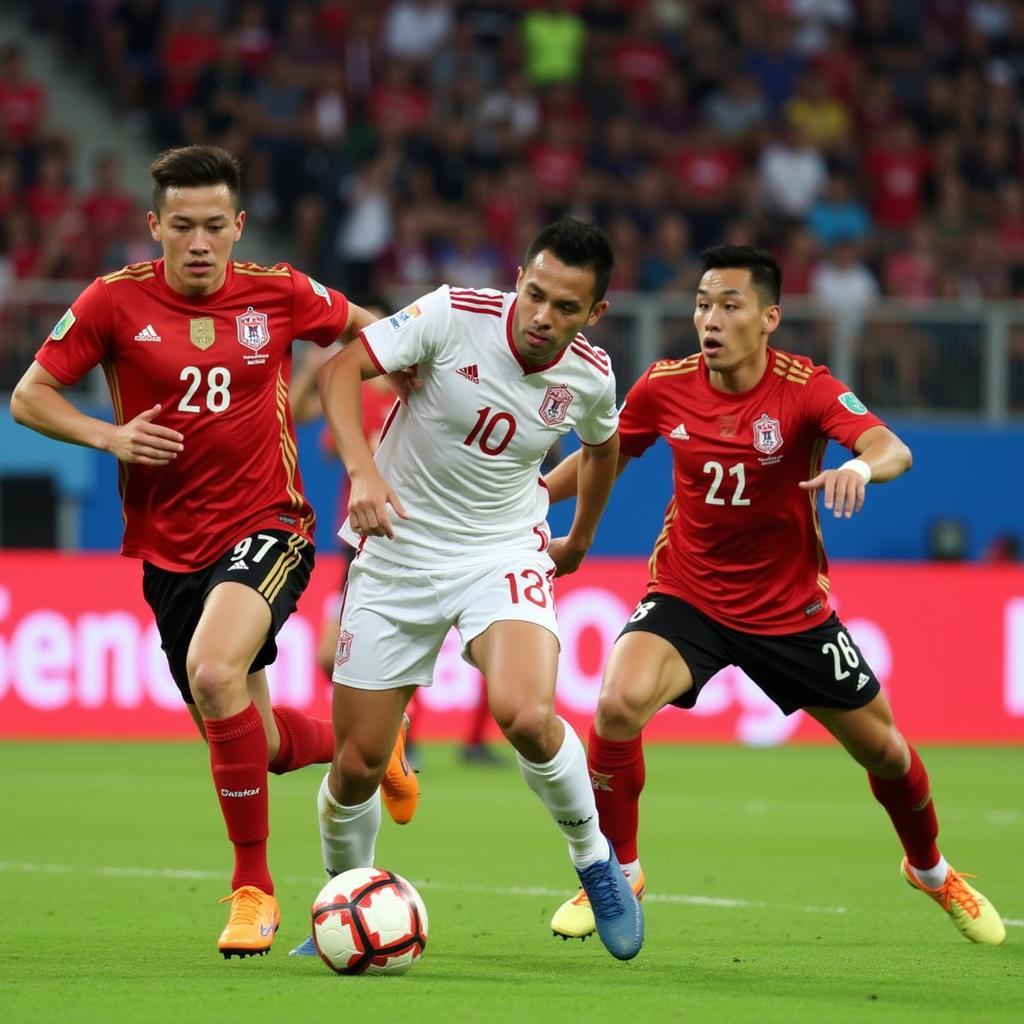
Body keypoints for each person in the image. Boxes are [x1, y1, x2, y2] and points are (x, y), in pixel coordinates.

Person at [9, 144, 418, 960]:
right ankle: (372, 745)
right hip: (169, 550)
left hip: (271, 525)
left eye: (214, 227)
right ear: (154, 226)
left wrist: (432, 382)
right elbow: (29, 396)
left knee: (214, 671)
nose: (199, 243)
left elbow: (380, 334)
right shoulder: (112, 303)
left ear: (237, 226)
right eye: (181, 227)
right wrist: (109, 436)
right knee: (252, 742)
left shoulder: (280, 292)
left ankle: (253, 890)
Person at [544, 244, 1005, 947]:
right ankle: (619, 871)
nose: (711, 318)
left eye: (730, 305)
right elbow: (606, 453)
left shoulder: (806, 387)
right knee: (615, 704)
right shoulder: (663, 386)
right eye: (703, 303)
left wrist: (861, 465)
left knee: (886, 751)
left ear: (769, 319)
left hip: (788, 611)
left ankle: (932, 870)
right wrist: (534, 496)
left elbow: (892, 448)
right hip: (688, 595)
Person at [297, 218, 643, 961]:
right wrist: (363, 472)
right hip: (396, 551)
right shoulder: (453, 314)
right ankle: (345, 899)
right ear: (519, 278)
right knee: (357, 763)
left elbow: (604, 444)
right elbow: (339, 370)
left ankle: (595, 862)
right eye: (536, 294)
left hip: (499, 550)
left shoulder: (589, 372)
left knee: (525, 713)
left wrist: (579, 538)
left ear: (594, 313)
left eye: (566, 307)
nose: (544, 317)